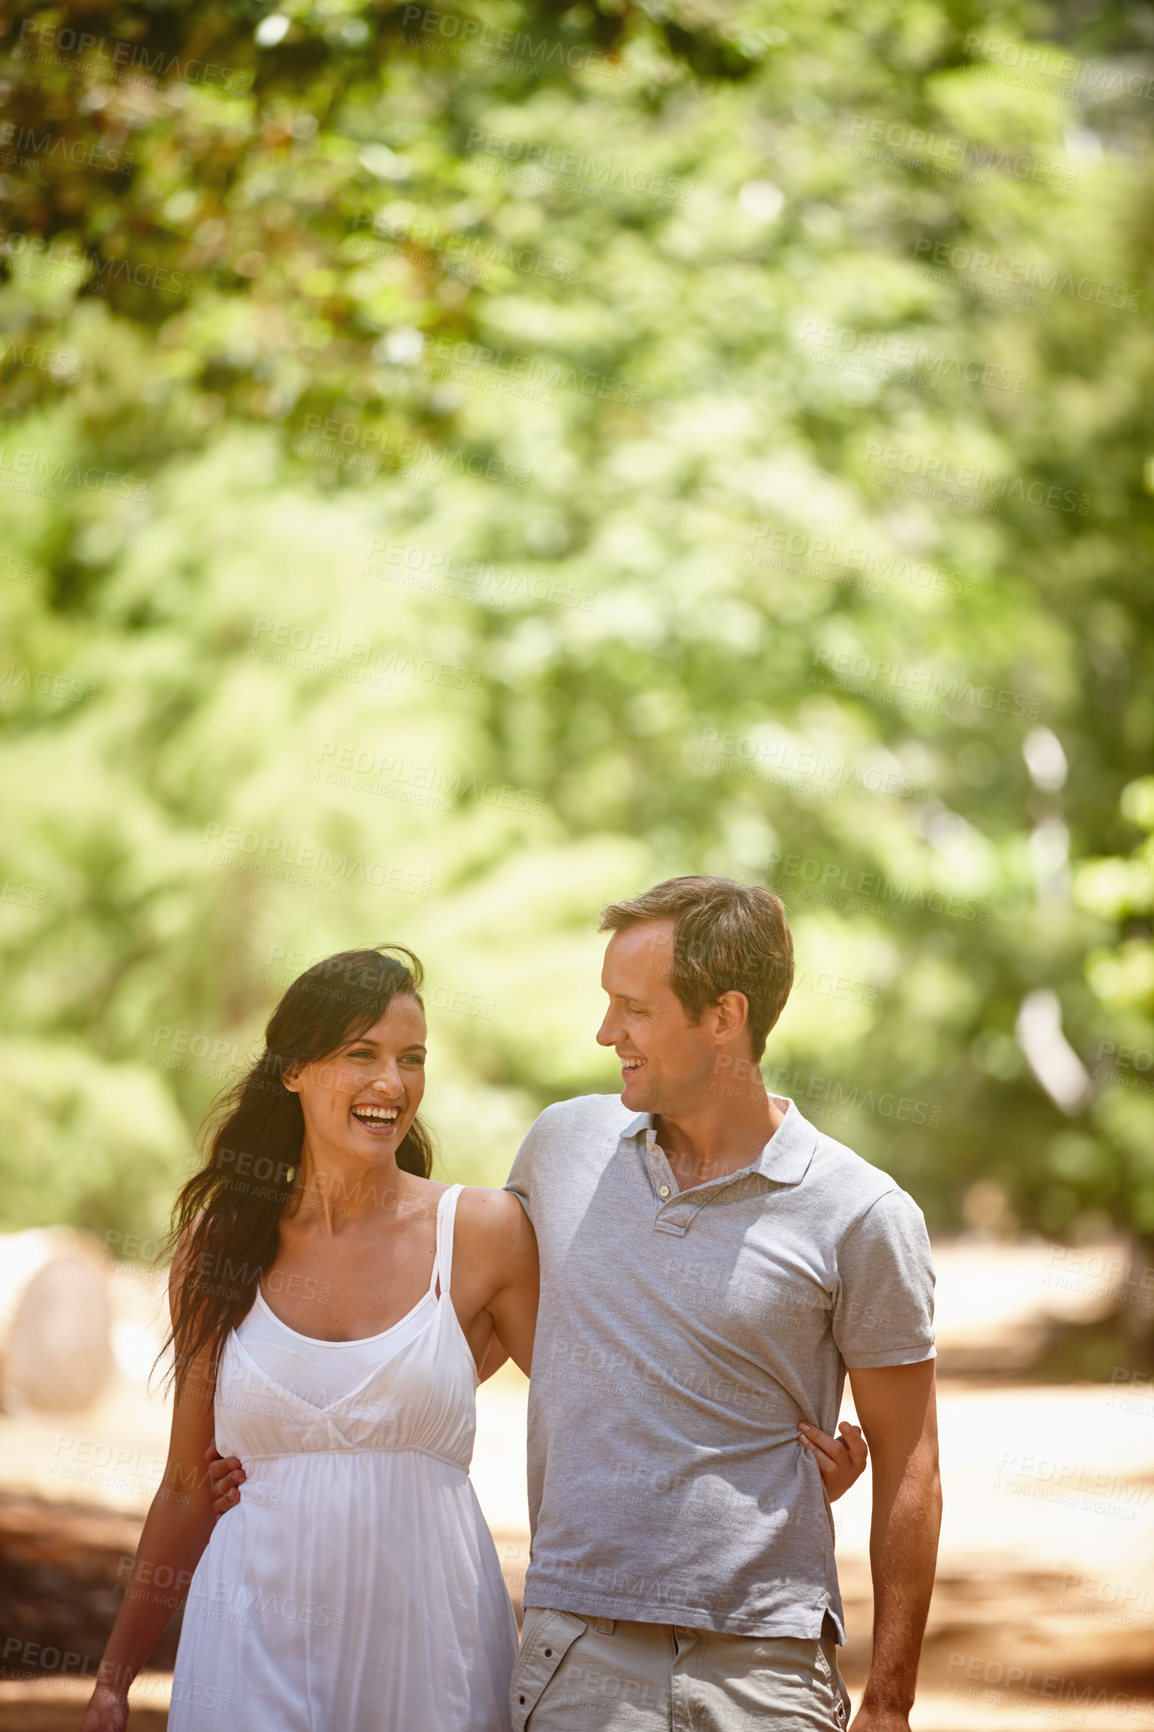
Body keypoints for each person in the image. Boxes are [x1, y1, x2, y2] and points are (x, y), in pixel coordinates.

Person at [208, 877, 934, 1731]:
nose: (605, 1032)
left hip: (766, 1660)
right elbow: (465, 1339)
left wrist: (889, 1703)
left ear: (724, 1017)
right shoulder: (563, 1147)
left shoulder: (861, 1212)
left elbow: (911, 1466)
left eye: (633, 1008)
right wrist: (298, 1439)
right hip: (579, 1653)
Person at [80, 946, 539, 1732]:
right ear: (292, 1069)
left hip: (430, 1647)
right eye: (360, 1054)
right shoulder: (220, 1239)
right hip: (251, 1632)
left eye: (411, 1059)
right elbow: (189, 1486)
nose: (391, 1085)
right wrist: (114, 1682)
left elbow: (595, 1415)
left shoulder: (483, 1233)